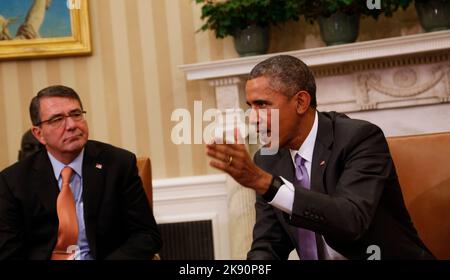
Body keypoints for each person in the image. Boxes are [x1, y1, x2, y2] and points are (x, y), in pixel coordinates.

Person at [206, 55, 434, 260]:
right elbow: (269, 243)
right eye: (251, 107)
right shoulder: (267, 159)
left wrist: (266, 183)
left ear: (301, 102)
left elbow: (351, 220)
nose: (253, 119)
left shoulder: (359, 138)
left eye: (263, 105)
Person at [0, 85, 162, 260]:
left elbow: (147, 236)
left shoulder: (118, 164)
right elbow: (9, 253)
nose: (71, 125)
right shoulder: (13, 182)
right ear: (39, 134)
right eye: (57, 119)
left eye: (76, 115)